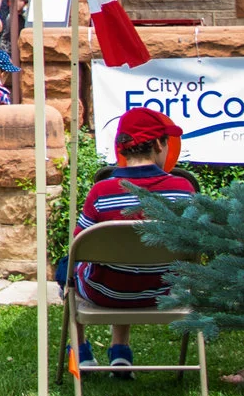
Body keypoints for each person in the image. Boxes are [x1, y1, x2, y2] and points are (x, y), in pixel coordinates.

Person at [70, 108, 197, 377]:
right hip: (164, 294)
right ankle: (120, 351)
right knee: (135, 264)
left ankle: (81, 351)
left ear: (122, 149)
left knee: (68, 268)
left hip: (105, 293)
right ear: (160, 144)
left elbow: (78, 245)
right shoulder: (184, 191)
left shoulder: (101, 192)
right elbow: (196, 241)